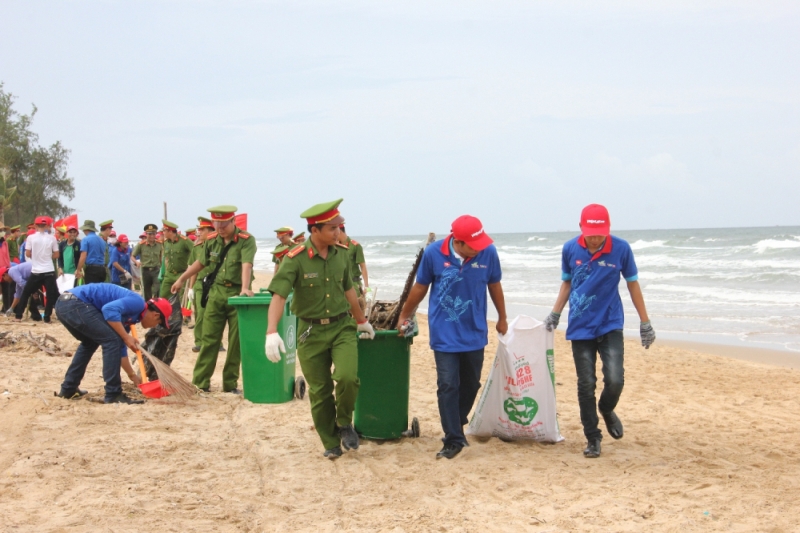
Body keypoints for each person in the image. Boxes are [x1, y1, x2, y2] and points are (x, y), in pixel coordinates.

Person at [265, 199, 375, 460]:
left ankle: (345, 422)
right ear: (315, 230)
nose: (338, 233)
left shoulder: (342, 255)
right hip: (310, 332)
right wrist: (271, 331)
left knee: (348, 377)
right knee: (320, 390)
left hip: (341, 327)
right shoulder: (294, 260)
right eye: (332, 228)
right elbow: (279, 296)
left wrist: (361, 320)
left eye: (339, 227)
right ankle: (330, 440)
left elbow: (349, 289)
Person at [543, 204, 655, 459]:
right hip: (580, 326)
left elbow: (633, 284)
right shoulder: (570, 249)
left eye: (600, 234)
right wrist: (555, 313)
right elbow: (567, 283)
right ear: (582, 228)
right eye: (591, 233)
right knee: (586, 385)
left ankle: (606, 408)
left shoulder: (621, 249)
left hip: (610, 323)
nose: (595, 239)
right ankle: (593, 437)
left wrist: (645, 322)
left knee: (615, 379)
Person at [396, 215, 507, 460]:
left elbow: (495, 285)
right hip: (444, 332)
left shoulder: (488, 253)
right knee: (448, 384)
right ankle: (453, 438)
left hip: (475, 330)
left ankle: (456, 424)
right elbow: (420, 287)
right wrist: (405, 314)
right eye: (473, 246)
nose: (478, 249)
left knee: (471, 384)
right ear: (458, 242)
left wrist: (502, 317)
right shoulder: (434, 254)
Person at [171, 205, 255, 393]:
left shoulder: (246, 240)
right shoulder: (211, 241)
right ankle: (200, 383)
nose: (220, 227)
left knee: (235, 343)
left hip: (237, 296)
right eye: (216, 223)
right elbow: (200, 263)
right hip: (216, 294)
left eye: (224, 223)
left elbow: (246, 264)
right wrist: (182, 279)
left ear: (233, 221)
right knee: (209, 340)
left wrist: (244, 288)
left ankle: (230, 384)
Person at [55, 284, 172, 404]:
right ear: (156, 315)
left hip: (64, 304)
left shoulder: (127, 318)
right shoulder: (138, 303)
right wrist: (126, 337)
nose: (155, 326)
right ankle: (113, 393)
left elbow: (120, 350)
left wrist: (132, 376)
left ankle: (68, 389)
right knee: (111, 340)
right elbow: (108, 310)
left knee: (90, 342)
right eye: (159, 322)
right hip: (74, 304)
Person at [14, 216, 61, 323]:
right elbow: (57, 254)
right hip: (49, 270)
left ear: (35, 226)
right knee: (50, 294)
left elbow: (27, 253)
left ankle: (18, 316)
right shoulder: (52, 238)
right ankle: (47, 317)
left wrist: (35, 257)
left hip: (36, 271)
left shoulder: (30, 238)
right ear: (46, 226)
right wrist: (48, 257)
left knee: (26, 293)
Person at [186, 217, 216, 353]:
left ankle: (216, 342)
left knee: (214, 314)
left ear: (210, 230)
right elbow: (194, 269)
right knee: (201, 314)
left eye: (202, 229)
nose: (199, 232)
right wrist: (191, 288)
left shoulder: (217, 246)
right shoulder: (197, 248)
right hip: (200, 284)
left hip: (215, 284)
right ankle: (199, 341)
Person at [337, 225, 370, 309]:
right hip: (339, 284)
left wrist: (366, 286)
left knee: (357, 309)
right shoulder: (335, 246)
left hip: (353, 284)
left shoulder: (355, 246)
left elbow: (363, 266)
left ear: (339, 231)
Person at [159, 220, 193, 300]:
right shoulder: (166, 242)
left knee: (181, 299)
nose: (163, 233)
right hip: (169, 274)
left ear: (170, 231)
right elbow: (166, 257)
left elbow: (195, 252)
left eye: (164, 230)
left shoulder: (185, 241)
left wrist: (190, 266)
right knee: (163, 296)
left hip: (181, 274)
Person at [132, 224, 163, 300]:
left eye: (153, 234)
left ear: (156, 234)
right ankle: (148, 307)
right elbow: (132, 256)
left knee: (157, 288)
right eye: (149, 234)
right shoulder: (141, 245)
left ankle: (157, 305)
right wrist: (136, 262)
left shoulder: (159, 244)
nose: (152, 236)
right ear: (146, 234)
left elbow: (161, 257)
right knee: (146, 290)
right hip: (145, 270)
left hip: (156, 270)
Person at [75, 220, 108, 284]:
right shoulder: (102, 240)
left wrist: (78, 269)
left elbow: (83, 256)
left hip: (92, 270)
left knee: (91, 291)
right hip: (102, 269)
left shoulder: (85, 239)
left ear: (86, 229)